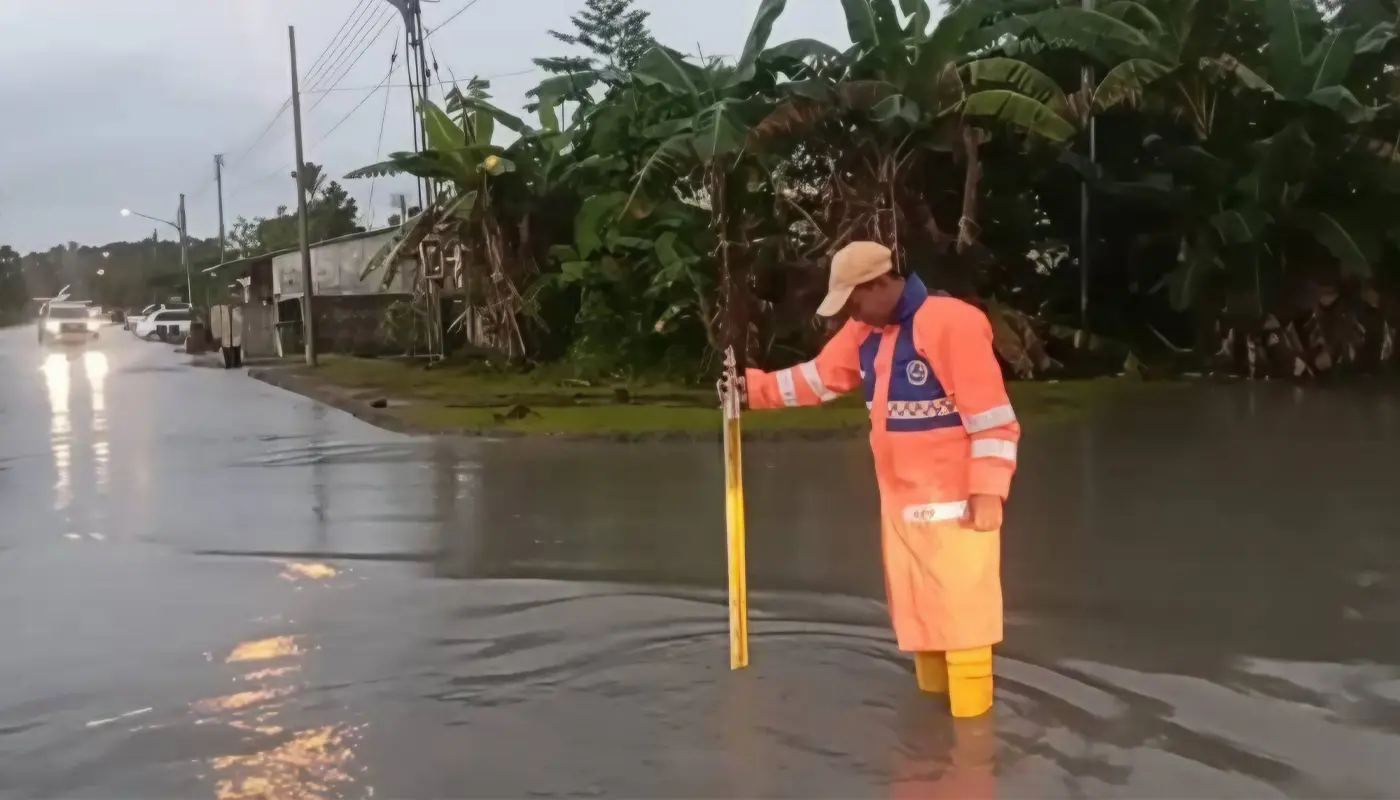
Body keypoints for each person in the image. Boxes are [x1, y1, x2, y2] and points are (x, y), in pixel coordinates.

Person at [721, 241, 1019, 718]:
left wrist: (988, 491)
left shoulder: (951, 322)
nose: (851, 313)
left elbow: (993, 420)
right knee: (921, 612)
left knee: (962, 615)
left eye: (855, 300)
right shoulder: (865, 332)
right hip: (901, 501)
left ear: (881, 283)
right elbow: (819, 379)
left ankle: (971, 749)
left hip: (955, 500)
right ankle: (933, 737)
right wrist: (750, 389)